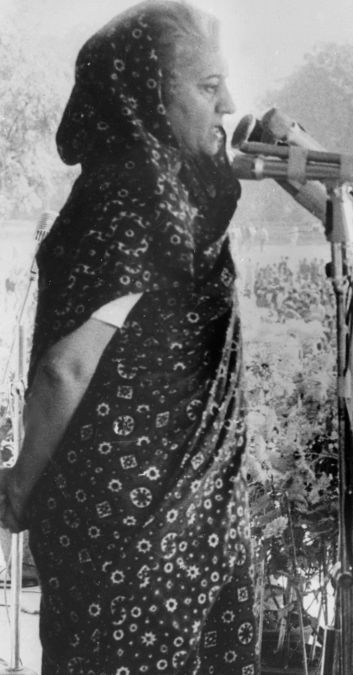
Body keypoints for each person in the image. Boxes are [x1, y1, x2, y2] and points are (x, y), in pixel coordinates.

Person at [0, 2, 258, 672]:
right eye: (208, 87)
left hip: (174, 528)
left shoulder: (163, 183)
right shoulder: (138, 195)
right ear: (147, 96)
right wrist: (21, 485)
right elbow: (66, 368)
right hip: (146, 535)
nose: (229, 105)